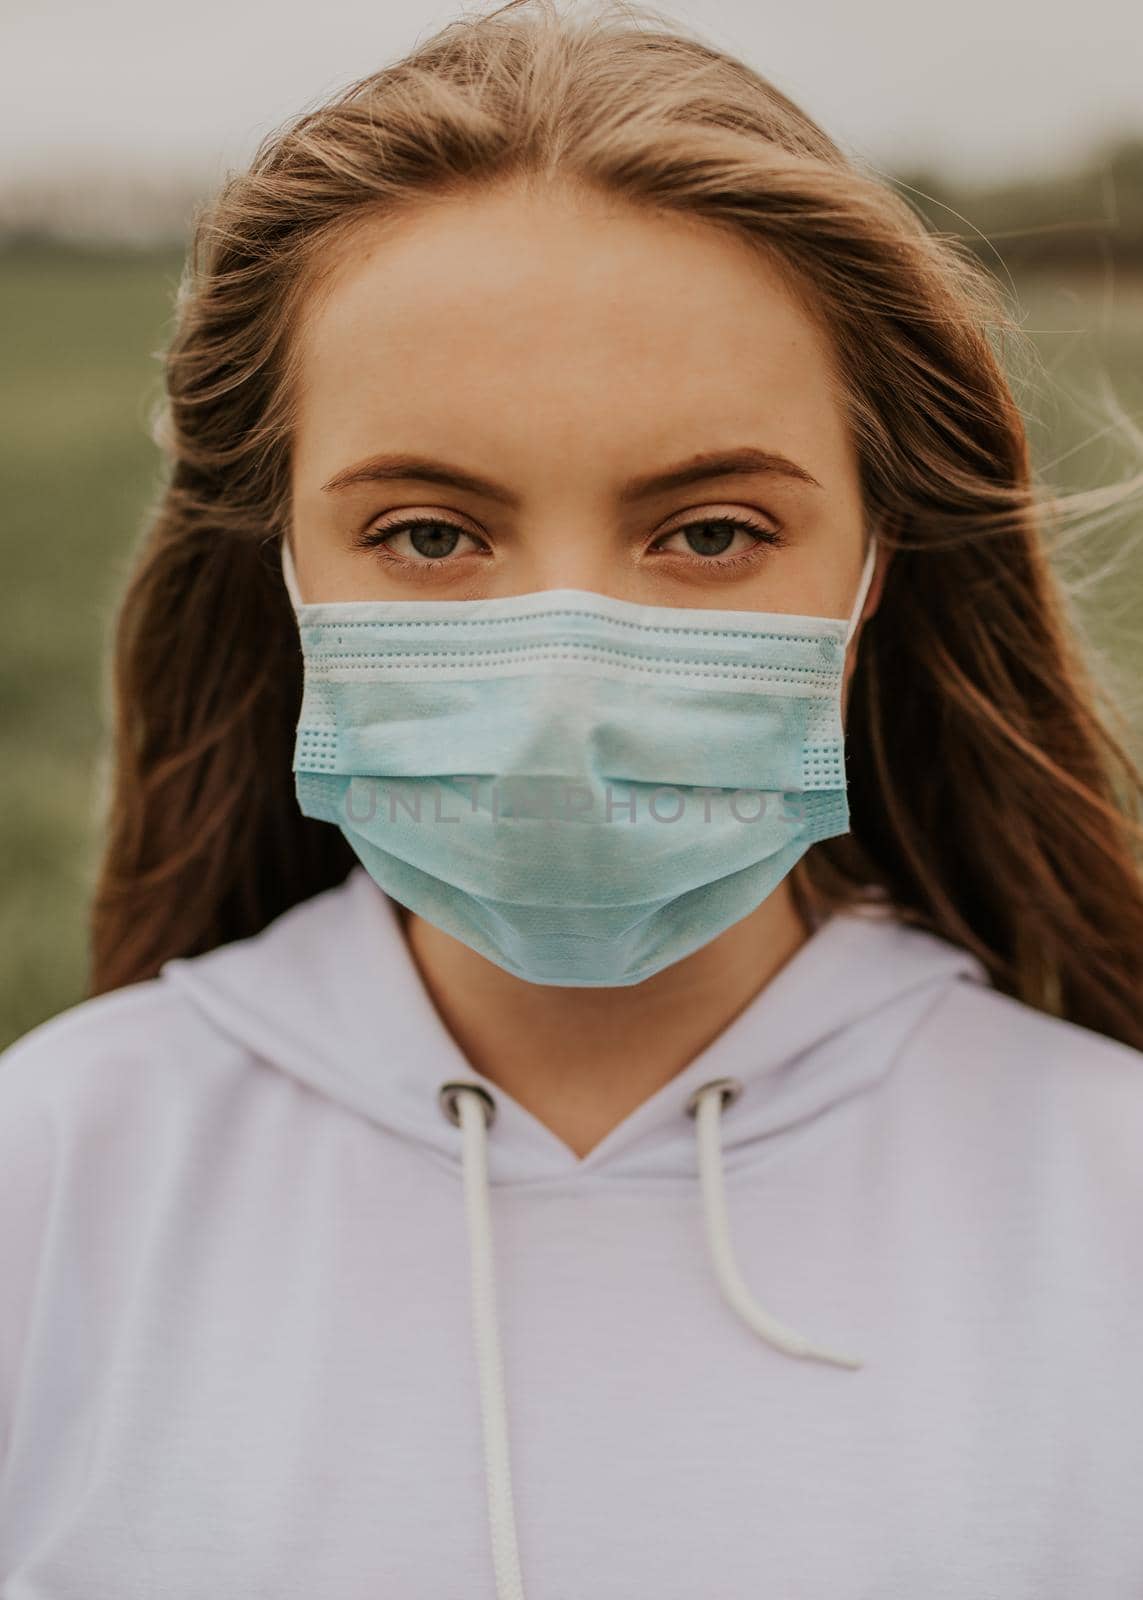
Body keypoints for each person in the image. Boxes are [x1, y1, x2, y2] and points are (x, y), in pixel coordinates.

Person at [2, 0, 1142, 1594]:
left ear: (877, 562)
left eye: (709, 532)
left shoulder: (1109, 1193)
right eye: (427, 533)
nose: (563, 684)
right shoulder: (54, 1175)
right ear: (278, 561)